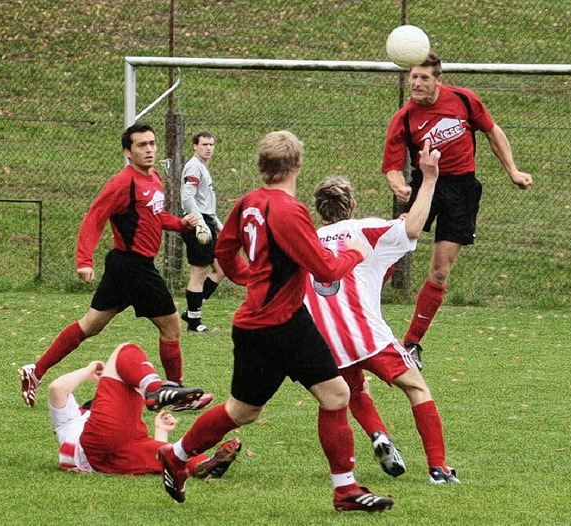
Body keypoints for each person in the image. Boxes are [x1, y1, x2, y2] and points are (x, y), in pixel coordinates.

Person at [156, 130, 394, 513]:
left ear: (261, 166)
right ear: (297, 165)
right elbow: (326, 270)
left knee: (335, 395)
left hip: (283, 320)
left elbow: (225, 247)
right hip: (269, 327)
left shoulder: (250, 202)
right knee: (242, 412)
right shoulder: (288, 210)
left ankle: (345, 490)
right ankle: (177, 454)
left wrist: (245, 276)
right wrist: (355, 253)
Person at [305, 141, 459, 484]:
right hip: (367, 334)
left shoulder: (309, 240)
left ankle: (378, 435)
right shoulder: (363, 228)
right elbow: (413, 228)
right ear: (353, 204)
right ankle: (438, 469)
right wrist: (429, 179)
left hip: (326, 342)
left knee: (355, 390)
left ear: (318, 210)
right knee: (416, 388)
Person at [19, 123, 201, 408]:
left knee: (90, 325)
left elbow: (155, 214)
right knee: (172, 327)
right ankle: (177, 394)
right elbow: (95, 217)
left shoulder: (153, 177)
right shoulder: (122, 183)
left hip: (125, 267)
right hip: (134, 266)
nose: (150, 149)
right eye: (142, 145)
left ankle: (35, 370)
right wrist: (84, 260)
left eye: (152, 143)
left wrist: (180, 225)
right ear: (128, 152)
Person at [382, 51, 533, 362]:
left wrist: (513, 171)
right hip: (426, 186)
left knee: (439, 272)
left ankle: (411, 344)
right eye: (413, 77)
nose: (416, 83)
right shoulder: (404, 118)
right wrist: (397, 184)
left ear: (439, 80)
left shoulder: (464, 100)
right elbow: (392, 166)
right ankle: (355, 318)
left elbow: (493, 132)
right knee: (389, 252)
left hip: (462, 190)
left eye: (424, 77)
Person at [47, 341, 241, 478]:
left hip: (109, 459)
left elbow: (154, 456)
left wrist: (161, 431)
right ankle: (155, 388)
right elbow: (57, 388)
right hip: (95, 446)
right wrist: (88, 370)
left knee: (168, 456)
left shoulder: (86, 422)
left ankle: (201, 465)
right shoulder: (68, 420)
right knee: (124, 351)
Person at [179, 130, 225, 333]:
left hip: (206, 221)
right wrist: (200, 223)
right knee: (199, 273)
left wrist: (218, 224)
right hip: (197, 223)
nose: (208, 148)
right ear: (195, 146)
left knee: (221, 269)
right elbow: (187, 198)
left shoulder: (202, 168)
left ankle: (191, 311)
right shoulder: (193, 167)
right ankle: (194, 323)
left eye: (211, 145)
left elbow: (206, 204)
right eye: (204, 144)